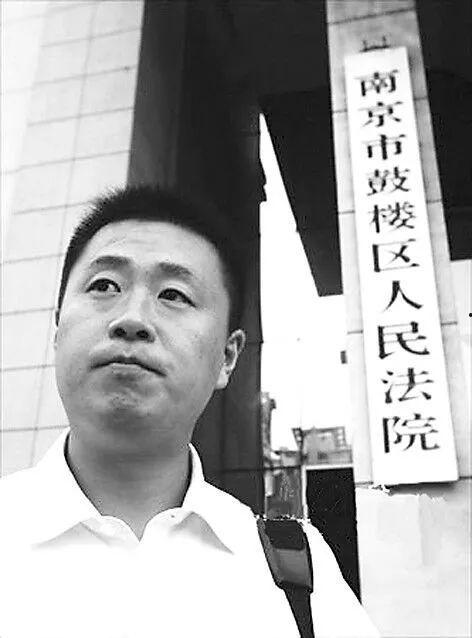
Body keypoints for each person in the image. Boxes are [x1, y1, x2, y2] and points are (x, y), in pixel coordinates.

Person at [0, 185, 379, 638]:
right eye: (104, 286)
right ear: (57, 329)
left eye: (174, 295)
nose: (132, 319)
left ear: (227, 358)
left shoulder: (297, 569)